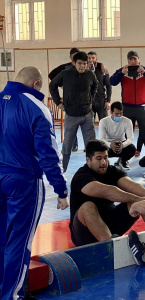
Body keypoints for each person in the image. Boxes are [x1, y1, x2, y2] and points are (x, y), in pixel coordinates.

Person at [0, 67, 69, 300]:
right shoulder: (36, 107)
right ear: (36, 84)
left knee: (2, 238)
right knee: (18, 241)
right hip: (24, 181)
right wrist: (60, 189)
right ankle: (13, 296)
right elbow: (48, 153)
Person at [69, 140, 145, 247]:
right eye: (99, 159)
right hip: (84, 233)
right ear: (88, 160)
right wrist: (144, 199)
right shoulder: (81, 176)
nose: (103, 162)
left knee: (139, 203)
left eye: (105, 158)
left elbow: (131, 186)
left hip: (111, 225)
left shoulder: (112, 171)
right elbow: (108, 192)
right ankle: (112, 246)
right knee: (88, 207)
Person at [49, 51, 98, 172]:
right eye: (80, 63)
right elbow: (52, 86)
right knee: (66, 148)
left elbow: (95, 86)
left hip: (87, 115)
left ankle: (93, 171)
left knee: (91, 147)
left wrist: (90, 100)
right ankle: (62, 171)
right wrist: (58, 103)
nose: (82, 66)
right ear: (73, 63)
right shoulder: (65, 74)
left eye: (85, 64)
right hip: (71, 116)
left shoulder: (90, 75)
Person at [110, 50, 145, 157]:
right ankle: (123, 158)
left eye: (135, 59)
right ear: (127, 60)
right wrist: (121, 73)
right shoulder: (122, 71)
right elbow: (112, 82)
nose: (133, 61)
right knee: (125, 135)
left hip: (143, 107)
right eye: (130, 59)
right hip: (127, 107)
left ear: (138, 59)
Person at [48, 47, 80, 152]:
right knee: (71, 125)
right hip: (69, 101)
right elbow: (51, 75)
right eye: (74, 55)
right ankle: (73, 145)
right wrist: (61, 83)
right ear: (70, 57)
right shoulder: (65, 67)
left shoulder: (83, 66)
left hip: (82, 100)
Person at [99, 101, 136, 169]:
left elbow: (130, 139)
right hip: (108, 144)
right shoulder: (103, 121)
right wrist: (110, 144)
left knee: (132, 149)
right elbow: (102, 138)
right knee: (98, 149)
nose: (119, 115)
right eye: (116, 114)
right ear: (111, 112)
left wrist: (123, 145)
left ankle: (123, 160)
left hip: (121, 143)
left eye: (121, 113)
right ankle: (105, 162)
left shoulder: (127, 121)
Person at [88, 51, 112, 121]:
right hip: (89, 101)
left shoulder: (103, 70)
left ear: (96, 59)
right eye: (89, 58)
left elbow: (108, 86)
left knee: (104, 123)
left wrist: (108, 101)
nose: (91, 60)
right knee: (89, 124)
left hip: (101, 101)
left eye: (93, 58)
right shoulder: (84, 70)